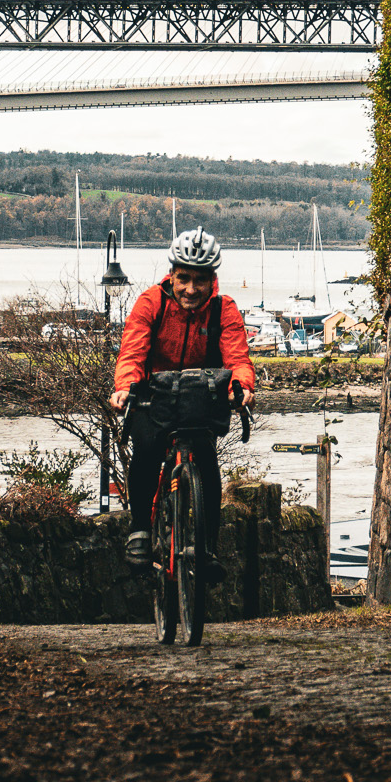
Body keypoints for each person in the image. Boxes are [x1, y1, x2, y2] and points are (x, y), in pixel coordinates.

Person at [107, 228, 257, 573]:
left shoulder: (224, 309)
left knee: (206, 462)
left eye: (200, 280)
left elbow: (236, 357)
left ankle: (207, 549)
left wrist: (242, 387)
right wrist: (125, 386)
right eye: (184, 278)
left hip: (198, 399)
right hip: (153, 396)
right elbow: (132, 351)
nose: (191, 289)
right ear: (172, 275)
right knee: (146, 451)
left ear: (212, 280)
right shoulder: (152, 302)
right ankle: (141, 529)